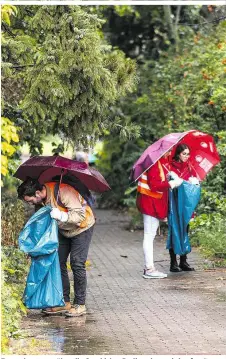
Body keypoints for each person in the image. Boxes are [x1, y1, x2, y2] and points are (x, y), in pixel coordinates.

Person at [17, 177, 95, 317]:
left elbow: (80, 216)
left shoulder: (63, 191)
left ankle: (80, 304)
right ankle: (64, 302)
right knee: (58, 262)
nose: (30, 204)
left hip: (82, 228)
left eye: (30, 201)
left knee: (77, 263)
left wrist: (61, 215)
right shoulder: (41, 201)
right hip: (63, 230)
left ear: (37, 193)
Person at [136, 151, 183, 279]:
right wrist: (171, 183)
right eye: (168, 150)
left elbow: (160, 179)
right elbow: (155, 185)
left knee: (149, 235)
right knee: (149, 235)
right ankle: (149, 269)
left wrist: (169, 176)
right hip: (150, 203)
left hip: (152, 203)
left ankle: (149, 268)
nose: (170, 152)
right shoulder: (154, 164)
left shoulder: (160, 162)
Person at [168, 143, 198, 272]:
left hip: (185, 205)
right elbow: (169, 185)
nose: (186, 156)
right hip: (174, 203)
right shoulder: (170, 166)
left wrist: (194, 182)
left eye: (188, 154)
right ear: (178, 154)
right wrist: (174, 179)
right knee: (174, 231)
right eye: (184, 154)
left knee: (185, 231)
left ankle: (183, 261)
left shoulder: (189, 167)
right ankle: (173, 263)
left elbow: (194, 187)